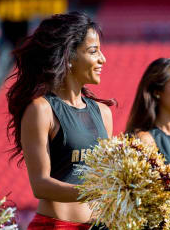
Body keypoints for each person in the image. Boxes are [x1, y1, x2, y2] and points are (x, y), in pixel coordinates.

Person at [6, 12, 114, 230]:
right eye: (93, 51)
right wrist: (94, 191)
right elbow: (40, 185)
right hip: (55, 225)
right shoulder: (41, 109)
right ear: (70, 57)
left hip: (98, 226)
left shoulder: (104, 113)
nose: (103, 58)